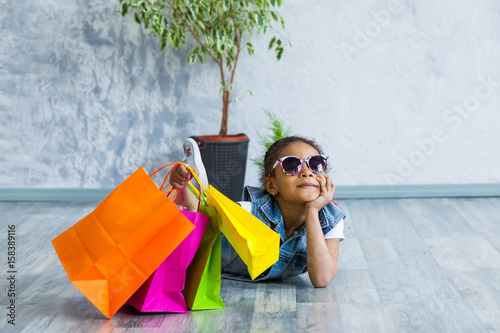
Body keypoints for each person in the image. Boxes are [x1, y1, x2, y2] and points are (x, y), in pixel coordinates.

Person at [169, 136, 346, 288]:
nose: (307, 172)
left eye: (316, 164)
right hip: (214, 247)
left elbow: (322, 279)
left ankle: (191, 193)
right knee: (195, 225)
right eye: (292, 166)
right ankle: (189, 185)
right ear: (272, 185)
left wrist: (312, 210)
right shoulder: (249, 211)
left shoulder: (331, 221)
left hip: (237, 266)